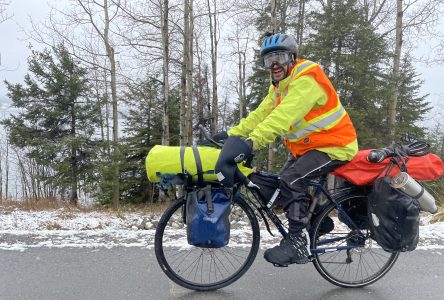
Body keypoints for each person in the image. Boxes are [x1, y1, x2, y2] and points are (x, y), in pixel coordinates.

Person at [225, 33, 358, 266]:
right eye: (268, 60)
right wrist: (231, 135)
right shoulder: (279, 87)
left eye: (279, 57)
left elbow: (281, 118)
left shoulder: (307, 80)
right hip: (310, 148)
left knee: (291, 180)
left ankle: (298, 241)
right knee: (281, 183)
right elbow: (260, 115)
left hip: (335, 145)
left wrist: (251, 143)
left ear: (292, 58)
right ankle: (317, 221)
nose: (274, 64)